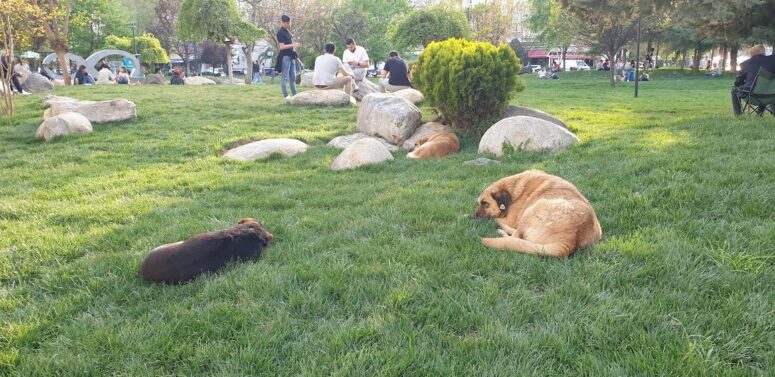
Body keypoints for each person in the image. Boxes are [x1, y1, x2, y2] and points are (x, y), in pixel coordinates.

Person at [731, 45, 775, 115]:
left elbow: (738, 82)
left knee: (734, 90)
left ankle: (738, 114)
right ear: (764, 52)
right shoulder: (773, 60)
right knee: (765, 87)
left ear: (751, 54)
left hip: (751, 95)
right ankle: (760, 113)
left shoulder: (745, 64)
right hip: (771, 95)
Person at [275, 15, 300, 99]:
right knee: (285, 77)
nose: (289, 24)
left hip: (291, 56)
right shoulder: (280, 33)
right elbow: (281, 47)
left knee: (293, 77)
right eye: (287, 23)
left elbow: (290, 45)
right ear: (282, 22)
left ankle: (295, 94)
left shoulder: (287, 31)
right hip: (285, 57)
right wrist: (293, 44)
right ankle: (286, 95)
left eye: (290, 22)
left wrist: (295, 51)